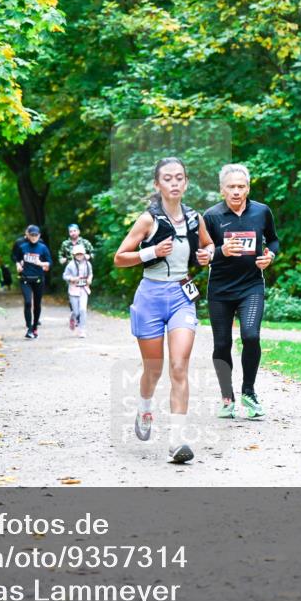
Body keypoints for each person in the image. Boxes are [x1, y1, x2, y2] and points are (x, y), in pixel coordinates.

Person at [114, 157, 211, 464]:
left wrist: (207, 255)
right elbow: (120, 257)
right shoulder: (148, 220)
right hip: (150, 297)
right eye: (167, 178)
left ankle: (177, 440)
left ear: (186, 182)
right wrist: (152, 252)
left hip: (182, 296)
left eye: (179, 178)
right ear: (158, 185)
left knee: (179, 367)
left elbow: (207, 246)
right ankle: (144, 409)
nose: (174, 183)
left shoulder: (196, 219)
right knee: (154, 369)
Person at [199, 163, 279, 420]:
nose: (236, 191)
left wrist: (271, 255)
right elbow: (200, 254)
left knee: (251, 335)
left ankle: (249, 391)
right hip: (220, 288)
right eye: (231, 187)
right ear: (222, 190)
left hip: (251, 286)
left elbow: (273, 239)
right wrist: (221, 251)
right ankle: (226, 397)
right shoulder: (211, 216)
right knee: (222, 344)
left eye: (241, 186)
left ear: (248, 188)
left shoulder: (261, 212)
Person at [12, 225, 52, 339]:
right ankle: (29, 328)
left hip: (38, 279)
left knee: (37, 304)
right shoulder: (23, 247)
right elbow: (17, 259)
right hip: (25, 279)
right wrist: (18, 265)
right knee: (28, 302)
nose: (34, 237)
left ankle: (34, 327)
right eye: (32, 235)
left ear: (39, 235)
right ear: (28, 235)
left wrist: (41, 264)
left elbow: (49, 263)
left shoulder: (43, 248)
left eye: (36, 235)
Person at [62, 244, 93, 338]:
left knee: (83, 310)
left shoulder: (88, 264)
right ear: (74, 255)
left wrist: (89, 279)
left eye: (81, 254)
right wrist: (72, 278)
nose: (79, 256)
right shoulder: (70, 265)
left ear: (84, 254)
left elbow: (90, 274)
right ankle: (73, 317)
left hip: (84, 289)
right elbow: (65, 276)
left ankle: (82, 329)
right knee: (76, 311)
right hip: (73, 290)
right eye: (77, 254)